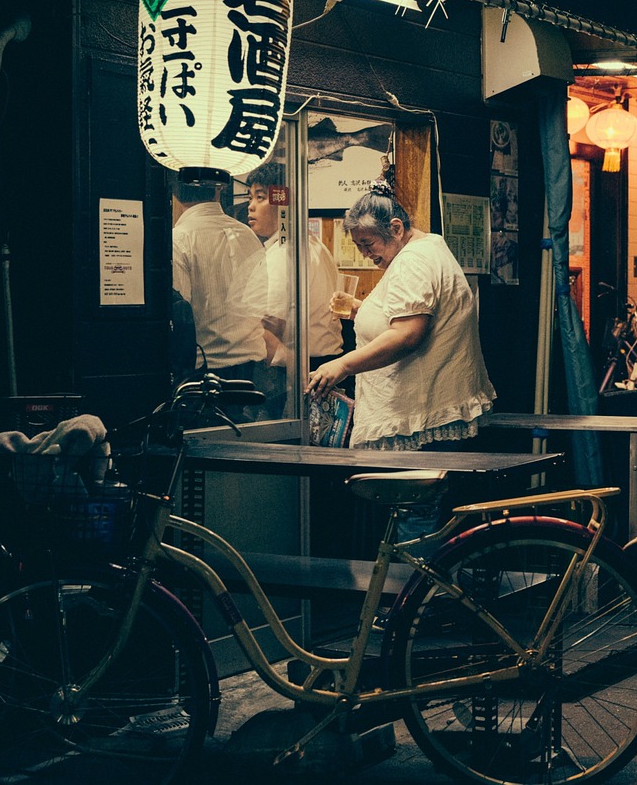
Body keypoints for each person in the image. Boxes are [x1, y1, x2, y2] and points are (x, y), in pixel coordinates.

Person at [305, 182, 497, 537]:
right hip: (425, 410)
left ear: (395, 228)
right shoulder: (425, 248)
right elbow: (405, 317)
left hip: (423, 413)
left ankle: (418, 576)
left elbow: (408, 334)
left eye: (368, 244)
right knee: (419, 513)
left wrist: (342, 365)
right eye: (358, 246)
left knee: (417, 515)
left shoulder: (413, 262)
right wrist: (361, 311)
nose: (365, 254)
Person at [244, 162, 344, 417]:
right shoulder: (314, 245)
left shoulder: (283, 255)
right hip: (323, 366)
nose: (251, 206)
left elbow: (268, 331)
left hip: (293, 375)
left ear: (283, 203)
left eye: (260, 197)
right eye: (250, 197)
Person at [170, 172, 267, 406]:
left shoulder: (179, 238)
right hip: (254, 368)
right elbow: (260, 301)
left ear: (173, 191)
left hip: (205, 372)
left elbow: (181, 318)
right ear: (219, 189)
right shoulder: (247, 234)